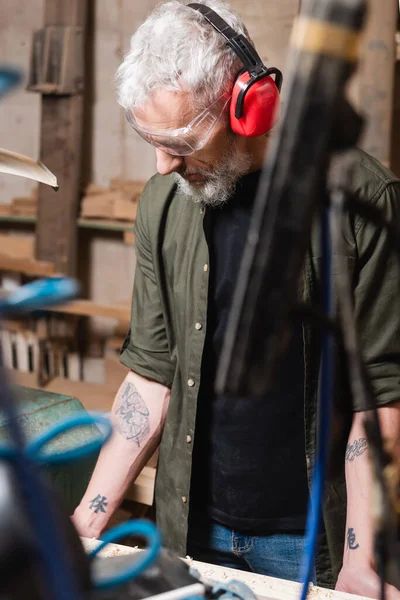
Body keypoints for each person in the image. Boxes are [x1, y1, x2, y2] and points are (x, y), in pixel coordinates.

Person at [72, 0, 400, 596]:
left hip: (308, 539)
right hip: (190, 520)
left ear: (249, 106)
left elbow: (377, 393)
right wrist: (86, 525)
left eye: (181, 140)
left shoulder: (364, 201)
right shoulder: (162, 203)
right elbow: (151, 373)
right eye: (151, 140)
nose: (163, 163)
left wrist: (363, 558)